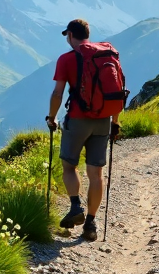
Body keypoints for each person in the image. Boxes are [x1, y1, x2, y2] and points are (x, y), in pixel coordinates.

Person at [45, 18, 120, 241]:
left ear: (70, 35)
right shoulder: (107, 55)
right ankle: (90, 224)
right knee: (96, 174)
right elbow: (115, 93)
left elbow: (58, 93)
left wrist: (52, 118)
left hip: (78, 120)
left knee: (69, 166)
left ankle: (76, 205)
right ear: (87, 34)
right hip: (103, 120)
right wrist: (115, 122)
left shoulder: (66, 59)